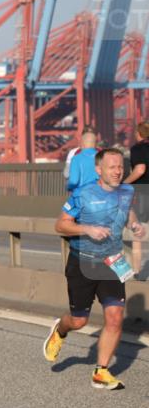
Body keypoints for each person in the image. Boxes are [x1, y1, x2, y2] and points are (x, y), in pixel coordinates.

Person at [43, 148, 144, 389]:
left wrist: (135, 224)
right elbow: (60, 225)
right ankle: (61, 329)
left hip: (111, 262)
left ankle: (101, 372)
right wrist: (86, 229)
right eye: (112, 167)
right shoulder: (82, 194)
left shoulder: (127, 191)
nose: (118, 171)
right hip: (82, 262)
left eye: (121, 166)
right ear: (99, 170)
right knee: (79, 321)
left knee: (115, 316)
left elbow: (127, 211)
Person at [124, 122, 149, 278]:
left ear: (139, 134)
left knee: (137, 233)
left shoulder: (138, 148)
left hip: (143, 193)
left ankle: (138, 272)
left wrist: (124, 183)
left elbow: (140, 169)